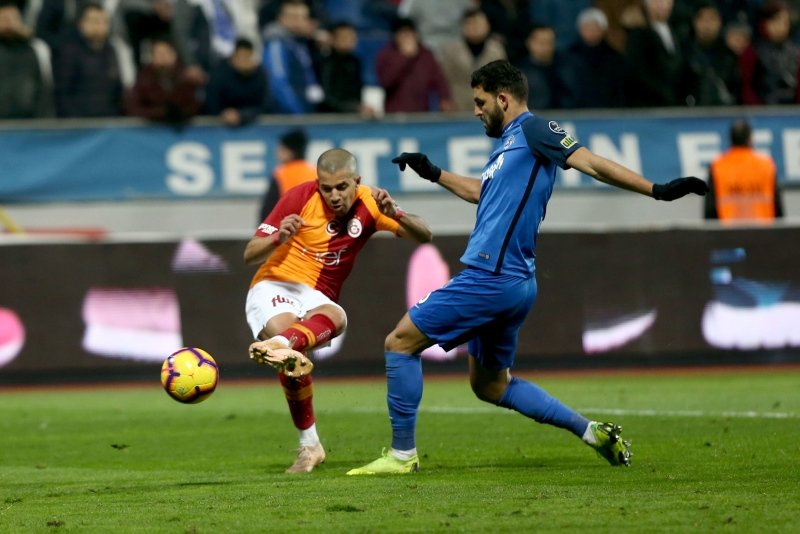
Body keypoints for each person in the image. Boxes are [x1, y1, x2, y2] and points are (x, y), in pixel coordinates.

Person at [347, 59, 708, 475]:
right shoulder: (508, 147)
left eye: (481, 102)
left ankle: (401, 455)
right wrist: (434, 173)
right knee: (491, 385)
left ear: (503, 98)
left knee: (399, 342)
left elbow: (589, 161)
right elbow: (483, 193)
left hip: (491, 277)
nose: (476, 110)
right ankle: (591, 432)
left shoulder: (536, 130)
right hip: (516, 283)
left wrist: (656, 190)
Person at [244, 148, 433, 473]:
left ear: (356, 182)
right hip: (276, 284)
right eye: (326, 188)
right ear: (317, 184)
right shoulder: (298, 197)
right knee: (291, 352)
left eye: (341, 187)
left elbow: (425, 235)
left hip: (318, 296)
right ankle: (309, 445)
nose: (333, 195)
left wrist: (397, 214)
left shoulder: (372, 203)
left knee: (337, 318)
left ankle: (283, 348)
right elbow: (250, 254)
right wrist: (278, 236)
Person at [705, 119, 784, 222]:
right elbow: (777, 207)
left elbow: (710, 210)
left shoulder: (717, 166)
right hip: (764, 234)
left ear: (730, 139)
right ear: (750, 139)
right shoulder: (766, 164)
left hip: (728, 235)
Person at [375, 16, 455, 113]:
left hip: (421, 114)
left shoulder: (426, 55)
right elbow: (386, 82)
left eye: (410, 33)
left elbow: (439, 80)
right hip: (394, 115)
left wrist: (445, 98)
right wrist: (405, 58)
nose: (407, 38)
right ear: (395, 37)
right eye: (403, 34)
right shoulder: (385, 55)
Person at [439, 8, 507, 112]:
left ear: (487, 26)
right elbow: (444, 79)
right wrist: (447, 100)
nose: (474, 27)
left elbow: (503, 80)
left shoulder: (497, 51)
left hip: (490, 106)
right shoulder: (451, 51)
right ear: (463, 27)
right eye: (470, 24)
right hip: (458, 106)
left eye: (478, 24)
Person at [125, 36, 203, 124]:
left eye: (166, 53)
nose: (163, 58)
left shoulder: (186, 79)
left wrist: (181, 113)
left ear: (174, 55)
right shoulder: (143, 79)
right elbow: (133, 107)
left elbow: (196, 105)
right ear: (152, 57)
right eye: (158, 54)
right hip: (151, 132)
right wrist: (161, 113)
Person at [0, 0, 54, 119]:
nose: (9, 23)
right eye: (4, 18)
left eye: (13, 18)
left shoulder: (34, 50)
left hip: (27, 125)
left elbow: (43, 90)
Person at [204, 37, 271, 127]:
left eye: (248, 57)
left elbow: (265, 105)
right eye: (241, 57)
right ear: (233, 58)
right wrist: (224, 114)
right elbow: (211, 102)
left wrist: (242, 115)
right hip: (220, 126)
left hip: (251, 125)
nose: (244, 62)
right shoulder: (220, 74)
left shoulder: (260, 75)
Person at [258, 128, 316, 221]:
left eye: (281, 149)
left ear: (289, 152)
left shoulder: (281, 174)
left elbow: (268, 211)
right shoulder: (314, 172)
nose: (277, 152)